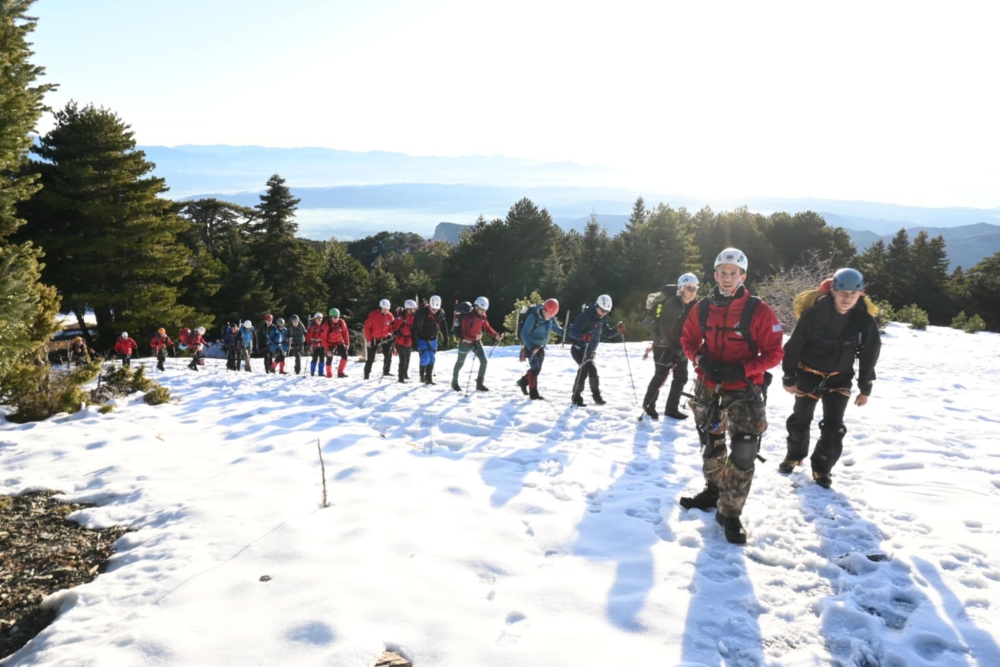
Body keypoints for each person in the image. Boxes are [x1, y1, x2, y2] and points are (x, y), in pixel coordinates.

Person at [678, 248, 784, 545]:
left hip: (745, 387)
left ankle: (731, 511)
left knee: (745, 448)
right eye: (722, 273)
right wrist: (699, 359)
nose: (727, 278)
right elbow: (687, 339)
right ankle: (713, 491)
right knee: (712, 444)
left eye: (733, 273)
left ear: (742, 276)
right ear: (715, 274)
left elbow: (775, 351)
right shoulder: (701, 308)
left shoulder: (758, 310)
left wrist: (746, 368)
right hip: (709, 386)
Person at [779, 268, 882, 488]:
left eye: (852, 294)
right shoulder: (814, 315)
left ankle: (822, 468)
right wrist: (789, 377)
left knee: (834, 427)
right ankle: (795, 456)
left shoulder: (863, 321)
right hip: (808, 374)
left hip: (839, 378)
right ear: (833, 291)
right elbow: (794, 346)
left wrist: (865, 388)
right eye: (843, 292)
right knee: (800, 419)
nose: (847, 298)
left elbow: (869, 355)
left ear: (860, 294)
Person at [641, 273, 700, 420]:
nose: (693, 292)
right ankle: (648, 405)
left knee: (681, 378)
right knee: (661, 375)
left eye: (695, 288)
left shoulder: (693, 304)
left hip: (680, 346)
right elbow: (665, 329)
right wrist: (676, 348)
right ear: (681, 289)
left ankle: (671, 409)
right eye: (689, 288)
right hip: (664, 345)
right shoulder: (673, 303)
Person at [567, 294, 625, 407]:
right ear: (597, 306)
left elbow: (607, 333)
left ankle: (576, 397)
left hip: (589, 351)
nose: (604, 313)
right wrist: (582, 336)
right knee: (591, 369)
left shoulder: (602, 318)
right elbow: (572, 332)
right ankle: (596, 397)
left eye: (606, 312)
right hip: (579, 350)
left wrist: (617, 330)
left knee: (583, 372)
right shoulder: (585, 316)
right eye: (602, 310)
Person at [451, 296, 502, 392]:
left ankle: (479, 383)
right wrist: (475, 338)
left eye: (485, 310)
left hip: (476, 343)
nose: (483, 312)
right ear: (476, 307)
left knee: (484, 361)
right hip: (465, 343)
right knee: (460, 363)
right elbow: (464, 334)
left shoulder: (483, 316)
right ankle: (454, 383)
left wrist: (496, 335)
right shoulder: (467, 318)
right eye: (482, 310)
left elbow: (487, 327)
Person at [517, 298, 563, 400]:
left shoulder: (551, 318)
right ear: (545, 310)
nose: (550, 317)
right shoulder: (533, 317)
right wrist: (531, 347)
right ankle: (533, 394)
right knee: (535, 369)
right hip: (531, 345)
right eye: (549, 315)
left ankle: (523, 382)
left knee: (537, 370)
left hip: (541, 346)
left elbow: (557, 329)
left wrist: (567, 333)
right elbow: (524, 333)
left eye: (552, 316)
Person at [412, 295, 450, 384]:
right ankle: (422, 375)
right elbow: (414, 327)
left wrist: (446, 339)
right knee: (425, 358)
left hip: (433, 338)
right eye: (433, 309)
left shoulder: (441, 312)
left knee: (432, 359)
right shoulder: (422, 312)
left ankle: (428, 379)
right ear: (430, 306)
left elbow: (444, 327)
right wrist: (414, 342)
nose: (435, 311)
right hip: (422, 338)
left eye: (436, 309)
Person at [363, 299, 395, 380]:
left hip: (385, 337)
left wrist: (391, 332)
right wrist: (369, 340)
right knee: (371, 357)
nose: (386, 311)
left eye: (387, 309)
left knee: (388, 355)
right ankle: (366, 374)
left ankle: (386, 371)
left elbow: (392, 326)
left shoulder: (390, 316)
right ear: (381, 308)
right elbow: (367, 328)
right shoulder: (373, 315)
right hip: (374, 338)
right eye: (384, 309)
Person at [392, 300, 418, 383]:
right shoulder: (401, 318)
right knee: (402, 360)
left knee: (408, 359)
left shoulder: (413, 317)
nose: (414, 310)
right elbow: (394, 328)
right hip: (401, 341)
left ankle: (405, 373)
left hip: (409, 341)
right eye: (413, 309)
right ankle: (401, 377)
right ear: (408, 309)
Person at [321, 308, 351, 378]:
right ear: (331, 317)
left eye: (337, 317)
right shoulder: (326, 325)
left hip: (339, 342)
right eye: (334, 317)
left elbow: (345, 332)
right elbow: (323, 338)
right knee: (329, 357)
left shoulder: (341, 322)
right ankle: (329, 374)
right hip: (329, 343)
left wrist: (347, 343)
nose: (336, 319)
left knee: (345, 356)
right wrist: (327, 350)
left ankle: (340, 372)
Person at [307, 312, 326, 377]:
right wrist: (310, 343)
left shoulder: (323, 326)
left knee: (322, 359)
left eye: (320, 319)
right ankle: (312, 372)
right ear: (315, 319)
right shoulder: (312, 327)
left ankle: (321, 372)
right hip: (314, 345)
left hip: (322, 345)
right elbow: (308, 336)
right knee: (314, 359)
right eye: (317, 319)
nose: (319, 321)